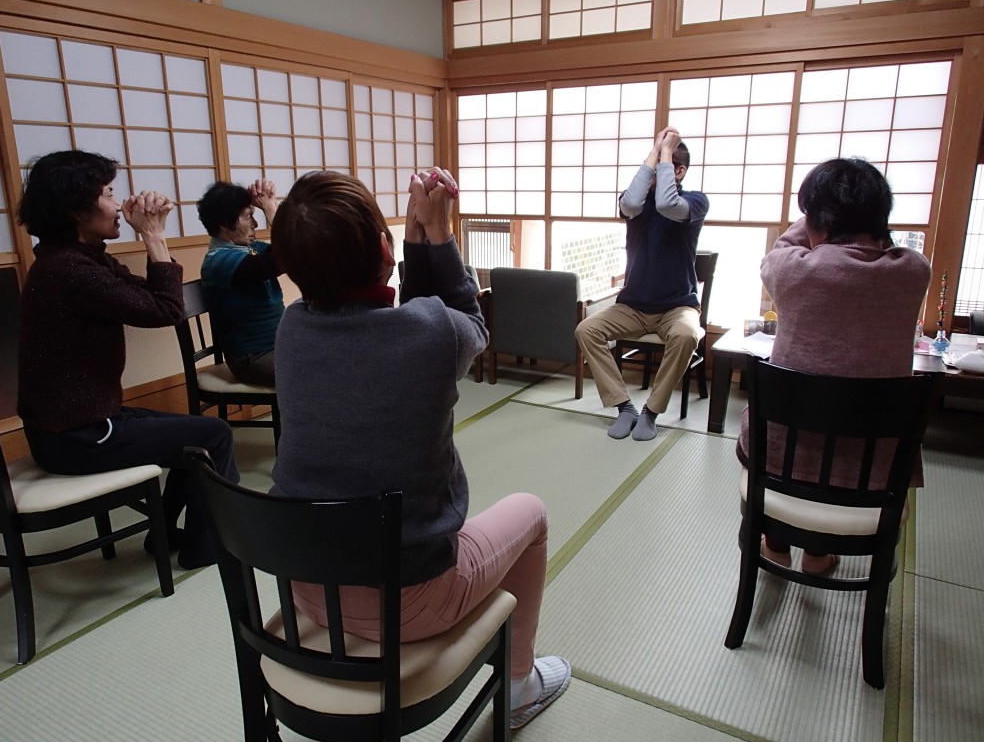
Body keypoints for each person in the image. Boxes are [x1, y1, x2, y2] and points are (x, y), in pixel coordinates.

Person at [269, 167, 571, 729]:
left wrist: (413, 241)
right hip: (410, 605)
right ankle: (520, 684)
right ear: (383, 249)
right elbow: (469, 324)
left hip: (307, 592)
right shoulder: (431, 335)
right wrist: (437, 235)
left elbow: (410, 324)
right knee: (532, 512)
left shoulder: (290, 331)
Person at [16, 150, 240, 569]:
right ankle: (208, 547)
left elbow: (155, 298)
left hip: (78, 425)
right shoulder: (70, 270)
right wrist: (153, 235)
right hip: (77, 437)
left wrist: (153, 237)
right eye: (107, 193)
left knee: (198, 436)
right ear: (76, 209)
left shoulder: (76, 259)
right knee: (214, 435)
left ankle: (168, 535)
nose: (118, 204)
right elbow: (166, 311)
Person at [736, 157, 932, 576]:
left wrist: (811, 216)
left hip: (782, 462)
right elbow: (886, 245)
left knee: (781, 433)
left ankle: (778, 545)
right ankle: (818, 555)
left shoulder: (791, 269)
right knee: (841, 443)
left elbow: (783, 246)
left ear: (816, 220)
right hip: (874, 473)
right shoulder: (914, 272)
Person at [576, 126, 710, 441]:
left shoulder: (695, 201)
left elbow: (667, 205)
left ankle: (651, 411)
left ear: (679, 171)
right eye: (652, 165)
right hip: (633, 306)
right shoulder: (635, 203)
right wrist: (654, 153)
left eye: (664, 165)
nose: (653, 172)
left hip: (677, 306)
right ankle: (624, 407)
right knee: (586, 330)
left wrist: (666, 153)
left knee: (687, 334)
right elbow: (630, 203)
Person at [197, 178, 284, 387]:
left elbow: (296, 253)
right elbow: (280, 260)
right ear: (225, 224)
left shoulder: (252, 248)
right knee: (321, 373)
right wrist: (270, 209)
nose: (255, 224)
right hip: (253, 357)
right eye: (248, 216)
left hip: (279, 346)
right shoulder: (218, 260)